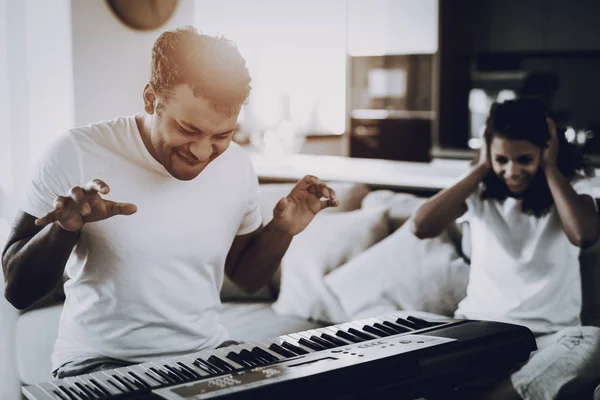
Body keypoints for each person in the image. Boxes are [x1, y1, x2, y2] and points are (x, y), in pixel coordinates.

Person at [1, 26, 339, 379]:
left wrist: (281, 230)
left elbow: (246, 278)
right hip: (99, 362)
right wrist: (64, 228)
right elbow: (18, 292)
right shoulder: (76, 152)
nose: (202, 151)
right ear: (150, 99)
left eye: (221, 135)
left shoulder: (237, 165)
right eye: (188, 129)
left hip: (205, 355)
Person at [412, 98, 600, 399]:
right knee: (403, 337)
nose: (511, 171)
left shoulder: (574, 185)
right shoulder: (480, 188)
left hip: (548, 340)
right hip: (479, 333)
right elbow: (421, 227)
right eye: (502, 159)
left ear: (547, 149)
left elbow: (584, 234)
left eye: (524, 159)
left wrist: (551, 168)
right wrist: (483, 166)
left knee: (594, 343)